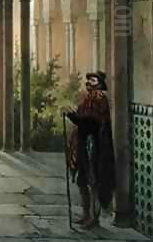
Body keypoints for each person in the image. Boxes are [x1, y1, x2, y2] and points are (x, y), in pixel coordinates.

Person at [65, 71, 115, 228]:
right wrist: (74, 115)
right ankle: (86, 214)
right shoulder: (88, 98)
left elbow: (90, 122)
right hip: (83, 144)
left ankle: (94, 218)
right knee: (82, 181)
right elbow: (83, 117)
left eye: (92, 80)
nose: (88, 82)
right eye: (88, 80)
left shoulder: (99, 98)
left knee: (93, 182)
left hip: (94, 146)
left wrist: (73, 117)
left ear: (99, 82)